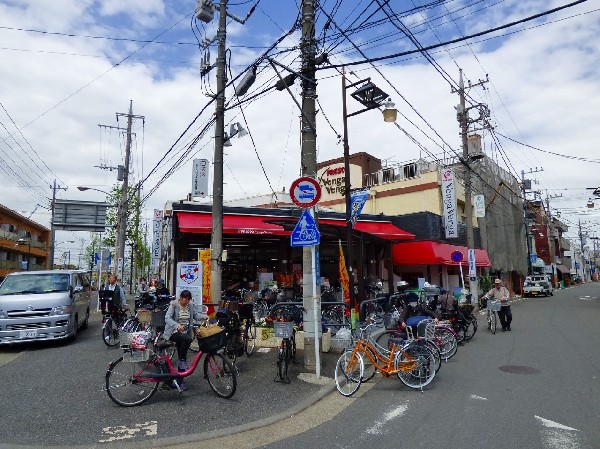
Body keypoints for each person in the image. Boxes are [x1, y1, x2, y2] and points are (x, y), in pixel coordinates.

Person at [163, 290, 205, 390]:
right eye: (185, 299)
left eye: (188, 299)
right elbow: (167, 318)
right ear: (180, 298)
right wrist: (177, 326)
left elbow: (195, 315)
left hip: (184, 333)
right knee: (187, 341)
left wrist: (205, 316)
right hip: (173, 332)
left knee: (184, 348)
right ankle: (182, 360)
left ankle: (180, 381)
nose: (187, 301)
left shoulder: (190, 305)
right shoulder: (174, 305)